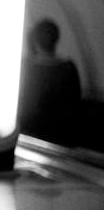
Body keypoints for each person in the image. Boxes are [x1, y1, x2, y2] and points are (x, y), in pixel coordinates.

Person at [18, 18, 81, 146]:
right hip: (61, 134)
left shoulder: (26, 66)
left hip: (30, 133)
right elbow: (75, 103)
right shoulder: (68, 68)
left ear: (35, 40)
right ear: (56, 39)